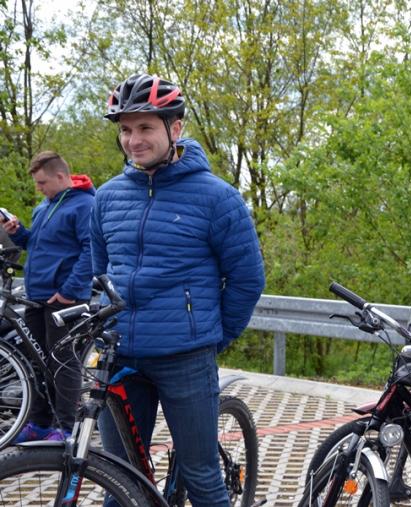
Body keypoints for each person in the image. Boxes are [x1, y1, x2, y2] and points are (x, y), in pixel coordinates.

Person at [92, 73, 266, 507]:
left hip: (184, 357)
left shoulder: (217, 198)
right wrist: (100, 326)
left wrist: (211, 337)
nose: (133, 140)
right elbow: (98, 274)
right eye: (125, 130)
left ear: (175, 128)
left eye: (145, 127)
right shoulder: (107, 197)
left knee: (202, 477)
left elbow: (247, 279)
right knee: (118, 478)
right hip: (119, 356)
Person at [1, 151, 95, 442]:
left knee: (62, 362)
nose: (38, 188)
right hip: (37, 297)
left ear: (60, 176)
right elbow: (37, 244)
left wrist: (69, 291)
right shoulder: (45, 206)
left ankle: (66, 429)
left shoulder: (85, 205)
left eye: (42, 182)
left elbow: (92, 250)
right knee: (35, 361)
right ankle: (40, 424)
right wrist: (18, 233)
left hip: (64, 300)